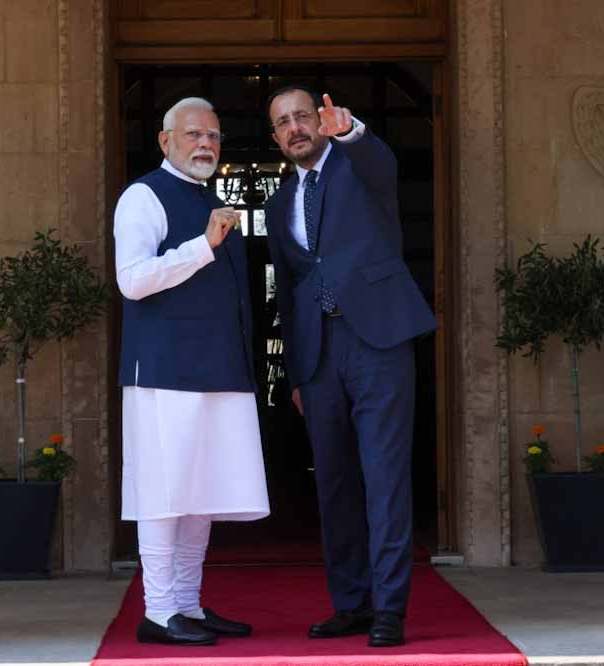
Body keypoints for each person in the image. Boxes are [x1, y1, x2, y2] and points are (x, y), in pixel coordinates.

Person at [263, 87, 437, 648]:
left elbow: (382, 162)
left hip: (377, 342)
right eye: (283, 123)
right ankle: (351, 603)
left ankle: (389, 609)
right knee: (333, 482)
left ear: (321, 121)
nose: (295, 128)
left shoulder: (360, 168)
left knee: (384, 477)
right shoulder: (277, 204)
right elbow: (288, 294)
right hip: (318, 355)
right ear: (276, 137)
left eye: (303, 117)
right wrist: (295, 373)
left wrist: (353, 132)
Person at [114, 96, 270, 647]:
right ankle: (158, 612)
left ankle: (186, 604)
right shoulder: (142, 196)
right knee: (164, 495)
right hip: (165, 371)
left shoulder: (211, 198)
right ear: (166, 140)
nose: (206, 143)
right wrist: (203, 245)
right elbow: (132, 280)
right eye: (194, 134)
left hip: (219, 368)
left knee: (200, 494)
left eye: (214, 135)